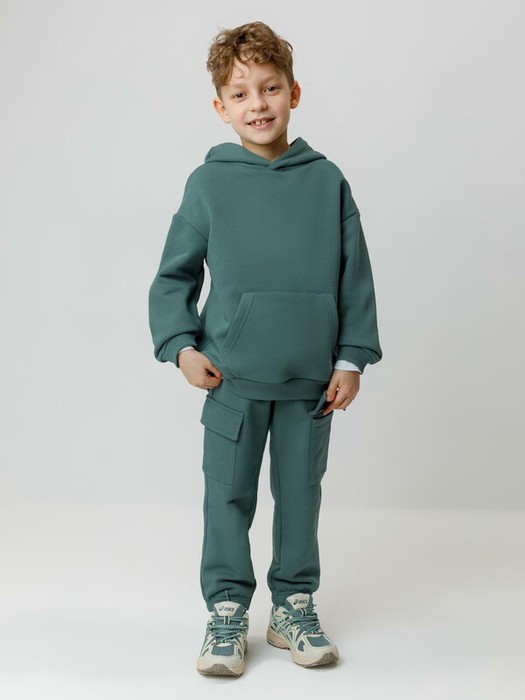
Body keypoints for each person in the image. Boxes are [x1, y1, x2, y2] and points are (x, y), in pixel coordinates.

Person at [148, 21, 383, 677]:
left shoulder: (327, 182)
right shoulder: (208, 184)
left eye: (270, 88)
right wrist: (180, 346)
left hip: (310, 384)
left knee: (300, 498)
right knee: (227, 498)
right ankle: (226, 610)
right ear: (220, 107)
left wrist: (350, 359)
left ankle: (292, 606)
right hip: (231, 380)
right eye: (240, 93)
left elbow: (355, 276)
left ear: (293, 93)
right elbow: (172, 277)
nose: (257, 104)